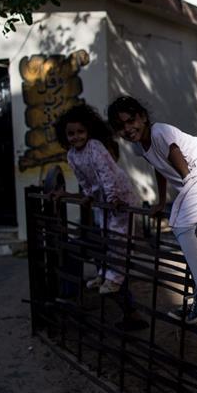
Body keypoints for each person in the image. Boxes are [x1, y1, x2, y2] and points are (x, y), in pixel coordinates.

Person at [108, 96, 197, 324]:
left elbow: (177, 158)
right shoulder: (139, 145)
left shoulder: (159, 132)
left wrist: (187, 190)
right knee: (194, 236)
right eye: (121, 126)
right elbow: (159, 166)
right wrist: (162, 201)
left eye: (131, 120)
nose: (128, 128)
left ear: (143, 117)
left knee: (180, 224)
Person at [53, 104, 139, 295]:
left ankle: (115, 279)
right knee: (105, 237)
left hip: (119, 197)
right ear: (64, 136)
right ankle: (103, 274)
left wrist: (112, 198)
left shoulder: (95, 147)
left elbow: (107, 175)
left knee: (118, 239)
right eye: (71, 134)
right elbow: (84, 180)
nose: (76, 137)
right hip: (102, 200)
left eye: (80, 132)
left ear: (89, 131)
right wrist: (89, 196)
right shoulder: (72, 155)